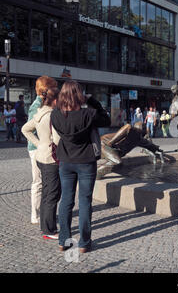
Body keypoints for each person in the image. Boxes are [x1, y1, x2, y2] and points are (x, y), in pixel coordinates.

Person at [51, 80, 111, 253]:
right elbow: (106, 119)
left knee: (66, 201)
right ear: (80, 95)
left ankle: (64, 241)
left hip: (66, 162)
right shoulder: (89, 114)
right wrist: (91, 100)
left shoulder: (55, 115)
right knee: (85, 202)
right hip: (86, 161)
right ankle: (84, 243)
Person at [22, 87, 61, 240]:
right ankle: (49, 230)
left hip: (41, 156)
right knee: (52, 194)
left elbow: (25, 129)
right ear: (56, 100)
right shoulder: (52, 115)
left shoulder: (39, 113)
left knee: (46, 192)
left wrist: (39, 144)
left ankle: (45, 225)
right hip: (51, 158)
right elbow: (57, 140)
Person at [26, 76, 58, 225]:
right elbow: (29, 128)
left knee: (43, 182)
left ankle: (43, 213)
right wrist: (39, 144)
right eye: (53, 87)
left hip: (42, 149)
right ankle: (36, 214)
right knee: (38, 182)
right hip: (38, 150)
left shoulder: (42, 103)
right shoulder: (37, 105)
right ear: (47, 89)